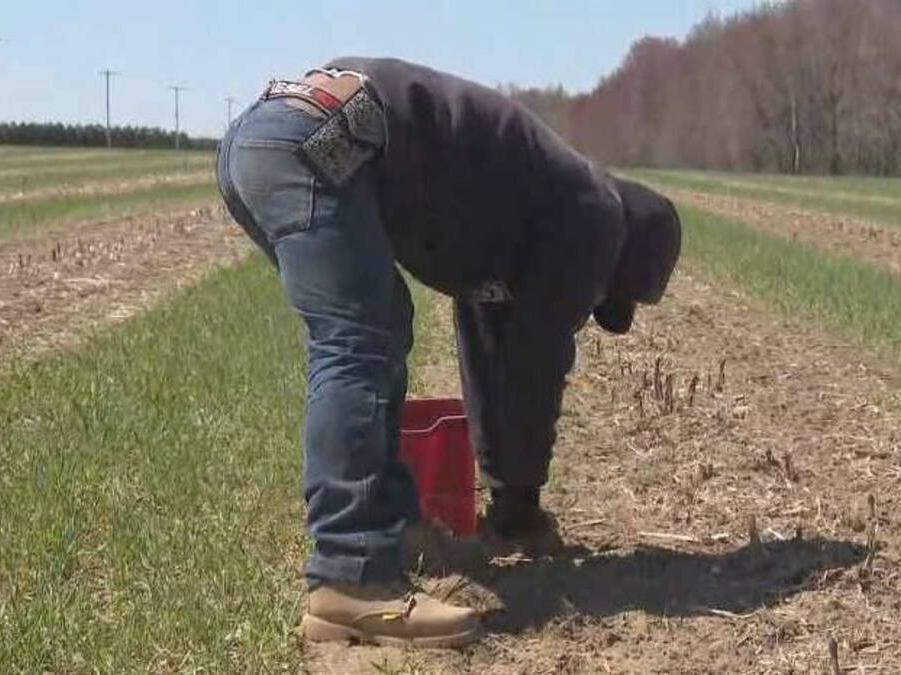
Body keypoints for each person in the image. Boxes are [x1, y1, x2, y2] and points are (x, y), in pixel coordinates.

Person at [215, 57, 681, 648]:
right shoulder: (595, 213)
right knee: (358, 341)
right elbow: (534, 359)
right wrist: (519, 505)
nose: (592, 304)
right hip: (320, 141)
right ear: (623, 261)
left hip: (271, 135)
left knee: (377, 326)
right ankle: (351, 575)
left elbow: (489, 337)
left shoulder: (535, 202)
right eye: (604, 298)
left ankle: (396, 529)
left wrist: (512, 500)